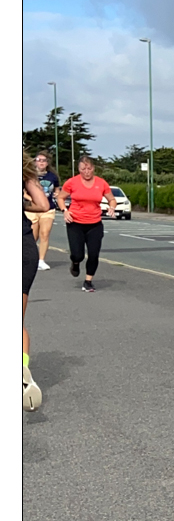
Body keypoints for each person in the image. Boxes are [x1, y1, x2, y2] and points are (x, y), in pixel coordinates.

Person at [56, 156, 116, 292]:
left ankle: (88, 281)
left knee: (94, 254)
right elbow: (61, 197)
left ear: (93, 168)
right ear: (79, 169)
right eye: (83, 169)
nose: (87, 172)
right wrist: (65, 210)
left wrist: (111, 207)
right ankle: (75, 263)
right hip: (75, 222)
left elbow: (111, 199)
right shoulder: (72, 182)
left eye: (89, 168)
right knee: (78, 254)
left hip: (94, 223)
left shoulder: (101, 183)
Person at [23, 151, 50, 411]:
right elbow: (43, 205)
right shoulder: (22, 170)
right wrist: (21, 204)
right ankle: (21, 369)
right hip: (22, 246)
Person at [32, 151, 61, 271]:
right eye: (39, 160)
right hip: (32, 208)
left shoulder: (52, 176)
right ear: (35, 162)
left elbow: (57, 189)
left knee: (45, 233)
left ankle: (41, 260)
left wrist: (57, 193)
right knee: (32, 236)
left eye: (43, 160)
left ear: (47, 163)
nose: (41, 162)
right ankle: (28, 258)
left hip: (48, 209)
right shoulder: (29, 176)